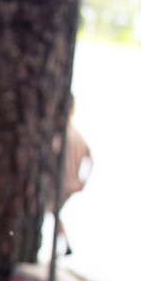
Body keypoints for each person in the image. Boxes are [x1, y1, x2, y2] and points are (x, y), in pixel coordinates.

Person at [47, 95, 93, 257]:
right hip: (72, 184)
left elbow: (53, 151)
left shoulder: (61, 134)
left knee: (51, 209)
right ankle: (63, 246)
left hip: (61, 183)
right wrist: (82, 181)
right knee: (53, 212)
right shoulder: (77, 135)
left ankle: (61, 247)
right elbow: (90, 157)